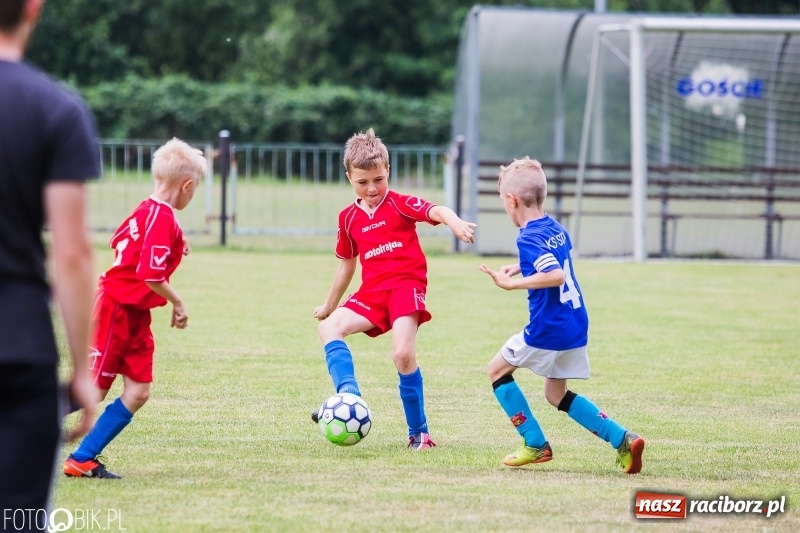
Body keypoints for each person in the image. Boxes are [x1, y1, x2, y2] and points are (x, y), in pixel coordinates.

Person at [312, 128, 476, 450]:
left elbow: (436, 210)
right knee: (328, 328)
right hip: (372, 292)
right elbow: (347, 264)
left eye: (378, 179)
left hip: (405, 286)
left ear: (387, 171)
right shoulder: (347, 218)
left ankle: (420, 433)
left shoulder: (399, 204)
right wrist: (329, 305)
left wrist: (453, 222)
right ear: (349, 178)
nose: (372, 188)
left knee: (402, 354)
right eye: (363, 182)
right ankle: (350, 395)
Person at [479, 157, 645, 473]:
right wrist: (520, 266)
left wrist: (512, 284)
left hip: (548, 328)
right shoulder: (555, 227)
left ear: (511, 200)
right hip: (575, 323)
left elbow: (554, 274)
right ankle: (622, 438)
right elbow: (555, 259)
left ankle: (534, 443)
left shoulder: (527, 237)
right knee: (556, 395)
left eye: (503, 201)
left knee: (496, 371)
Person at [0, 0, 99, 526]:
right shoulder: (56, 109)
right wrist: (83, 370)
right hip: (19, 350)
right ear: (32, 9)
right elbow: (71, 253)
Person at [62, 138, 206, 479]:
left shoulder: (148, 209)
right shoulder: (161, 219)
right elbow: (150, 274)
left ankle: (83, 458)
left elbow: (125, 243)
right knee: (93, 390)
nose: (194, 193)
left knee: (138, 391)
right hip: (116, 310)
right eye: (195, 187)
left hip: (136, 316)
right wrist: (178, 301)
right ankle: (18, 422)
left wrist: (176, 242)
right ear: (186, 186)